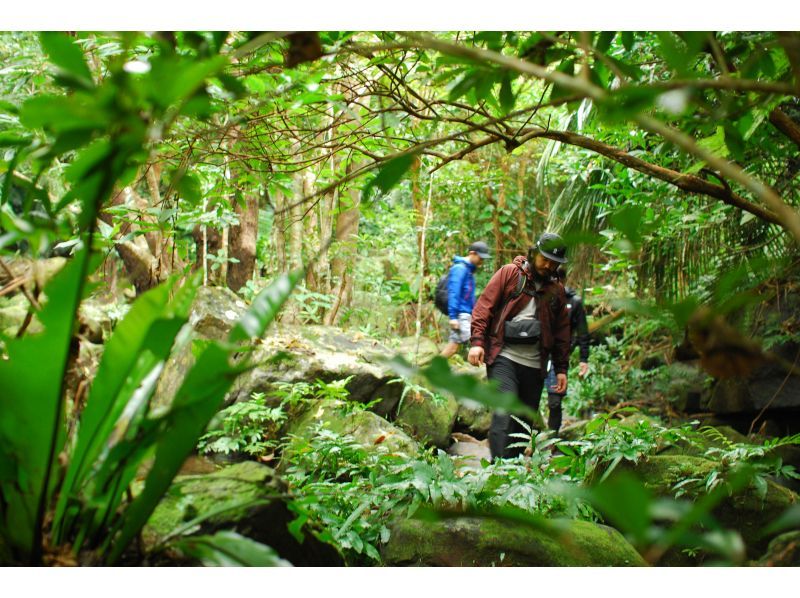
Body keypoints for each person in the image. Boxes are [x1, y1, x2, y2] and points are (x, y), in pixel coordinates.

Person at [468, 232, 571, 460]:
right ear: (533, 254)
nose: (548, 265)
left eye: (554, 262)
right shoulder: (510, 274)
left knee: (522, 425)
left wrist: (561, 369)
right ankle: (498, 469)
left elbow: (562, 333)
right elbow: (483, 307)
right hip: (504, 357)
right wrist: (477, 342)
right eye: (544, 259)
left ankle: (511, 473)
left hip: (535, 366)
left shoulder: (557, 292)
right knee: (504, 414)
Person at [544, 266, 591, 433]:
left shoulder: (574, 302)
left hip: (558, 356)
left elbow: (583, 332)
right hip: (538, 354)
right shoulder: (541, 297)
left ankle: (552, 439)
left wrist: (583, 359)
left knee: (555, 401)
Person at [440, 241, 491, 358]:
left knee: (453, 347)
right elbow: (454, 292)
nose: (482, 262)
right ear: (472, 253)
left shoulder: (468, 270)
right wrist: (453, 317)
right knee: (478, 340)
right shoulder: (460, 269)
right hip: (460, 315)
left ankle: (430, 372)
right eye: (480, 258)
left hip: (466, 314)